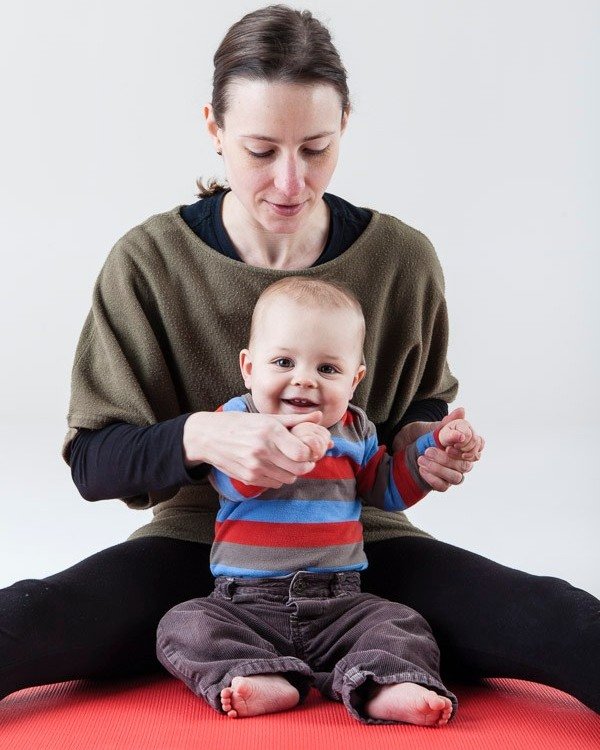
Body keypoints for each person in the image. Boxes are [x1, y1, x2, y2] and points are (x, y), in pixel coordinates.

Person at [0, 4, 598, 715]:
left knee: (557, 616)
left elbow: (414, 421)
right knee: (27, 620)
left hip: (358, 552)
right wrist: (203, 437)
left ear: (345, 124)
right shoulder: (148, 261)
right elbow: (95, 462)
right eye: (260, 151)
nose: (290, 183)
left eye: (315, 148)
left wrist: (430, 450)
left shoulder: (402, 260)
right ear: (213, 130)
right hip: (199, 550)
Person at [157, 277, 480, 725]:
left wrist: (430, 453)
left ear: (355, 379)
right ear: (249, 368)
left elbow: (385, 490)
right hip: (245, 604)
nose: (304, 380)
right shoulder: (237, 421)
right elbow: (233, 484)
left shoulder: (355, 431)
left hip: (341, 602)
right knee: (184, 624)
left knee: (401, 623)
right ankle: (261, 675)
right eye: (283, 361)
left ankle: (383, 684)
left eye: (328, 369)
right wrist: (289, 446)